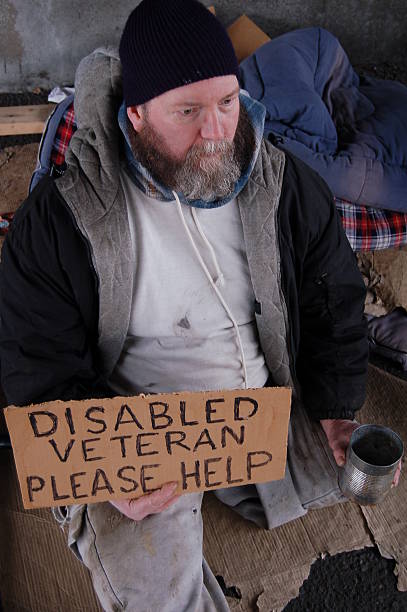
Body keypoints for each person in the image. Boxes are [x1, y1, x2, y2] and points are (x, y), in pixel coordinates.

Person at [0, 0, 394, 610]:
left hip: (262, 412)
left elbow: (334, 299)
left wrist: (335, 406)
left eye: (228, 103)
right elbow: (35, 365)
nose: (216, 133)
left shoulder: (282, 183)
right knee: (158, 590)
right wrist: (108, 467)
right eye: (188, 111)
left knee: (367, 469)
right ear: (136, 116)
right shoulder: (62, 220)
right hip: (139, 432)